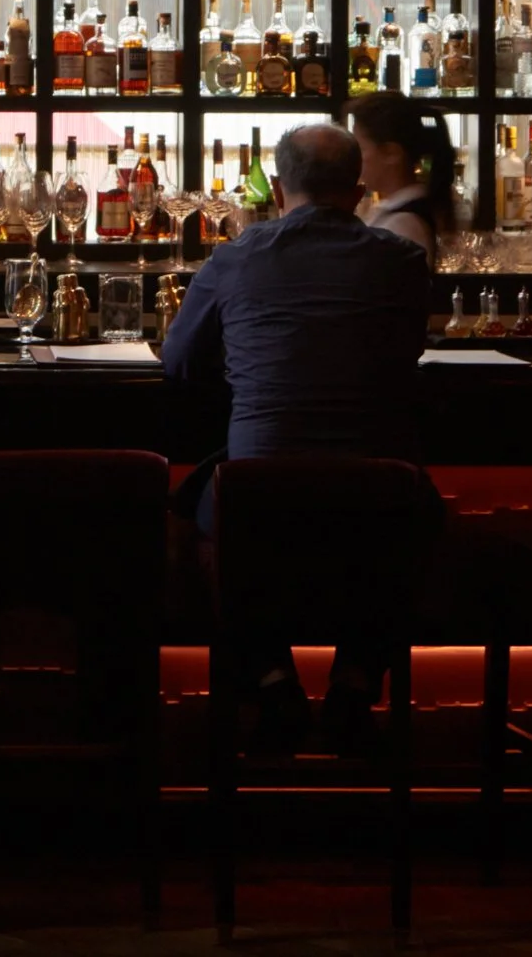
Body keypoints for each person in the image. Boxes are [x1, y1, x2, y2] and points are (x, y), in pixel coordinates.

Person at [159, 120, 436, 749]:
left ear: (279, 189)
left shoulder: (234, 257)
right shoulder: (403, 262)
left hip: (259, 499)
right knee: (413, 508)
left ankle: (271, 680)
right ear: (359, 191)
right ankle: (356, 683)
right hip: (378, 501)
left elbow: (179, 362)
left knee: (214, 509)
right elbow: (402, 356)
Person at [351, 93, 461, 255]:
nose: (354, 157)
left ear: (391, 153)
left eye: (361, 149)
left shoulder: (403, 225)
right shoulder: (392, 212)